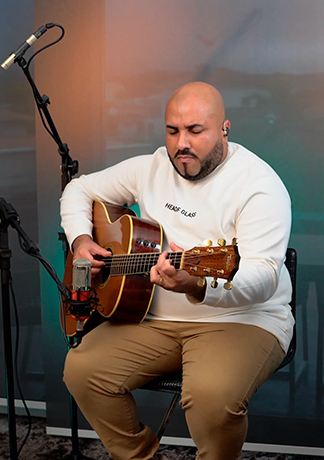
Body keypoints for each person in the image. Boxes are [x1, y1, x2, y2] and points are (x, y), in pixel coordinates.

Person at [61, 82, 293, 460]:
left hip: (242, 319)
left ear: (224, 130)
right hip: (156, 319)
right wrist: (81, 241)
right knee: (83, 371)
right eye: (172, 131)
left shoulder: (259, 185)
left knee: (211, 399)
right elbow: (79, 189)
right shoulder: (150, 167)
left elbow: (264, 276)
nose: (181, 143)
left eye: (195, 131)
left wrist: (198, 285)